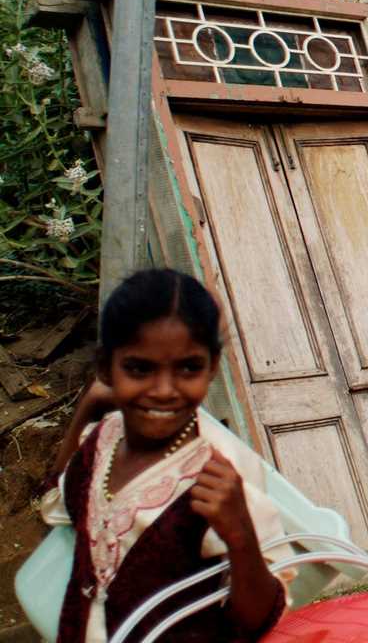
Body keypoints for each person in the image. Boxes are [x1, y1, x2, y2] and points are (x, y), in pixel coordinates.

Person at [42, 269, 291, 642]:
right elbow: (58, 504)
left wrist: (239, 533)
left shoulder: (222, 474)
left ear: (212, 368)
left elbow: (257, 620)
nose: (163, 391)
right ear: (106, 367)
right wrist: (87, 408)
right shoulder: (104, 440)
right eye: (140, 368)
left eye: (188, 368)